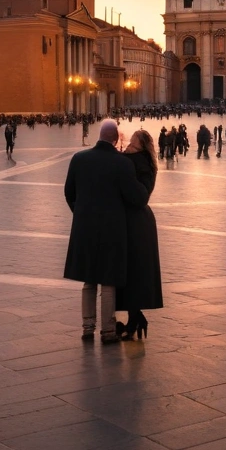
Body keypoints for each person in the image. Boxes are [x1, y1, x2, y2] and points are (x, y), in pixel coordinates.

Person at [63, 120, 149, 343]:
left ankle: (87, 327)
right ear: (115, 138)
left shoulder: (79, 159)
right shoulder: (121, 163)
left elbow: (68, 193)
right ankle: (108, 330)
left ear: (99, 135)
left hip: (85, 228)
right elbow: (138, 197)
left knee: (89, 280)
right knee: (108, 281)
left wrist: (81, 214)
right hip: (112, 229)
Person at [115, 129, 163, 340]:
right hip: (130, 223)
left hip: (137, 226)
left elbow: (141, 196)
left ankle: (135, 320)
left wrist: (124, 165)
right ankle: (135, 318)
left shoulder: (140, 165)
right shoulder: (134, 161)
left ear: (141, 149)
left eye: (132, 146)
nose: (127, 149)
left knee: (132, 273)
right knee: (127, 273)